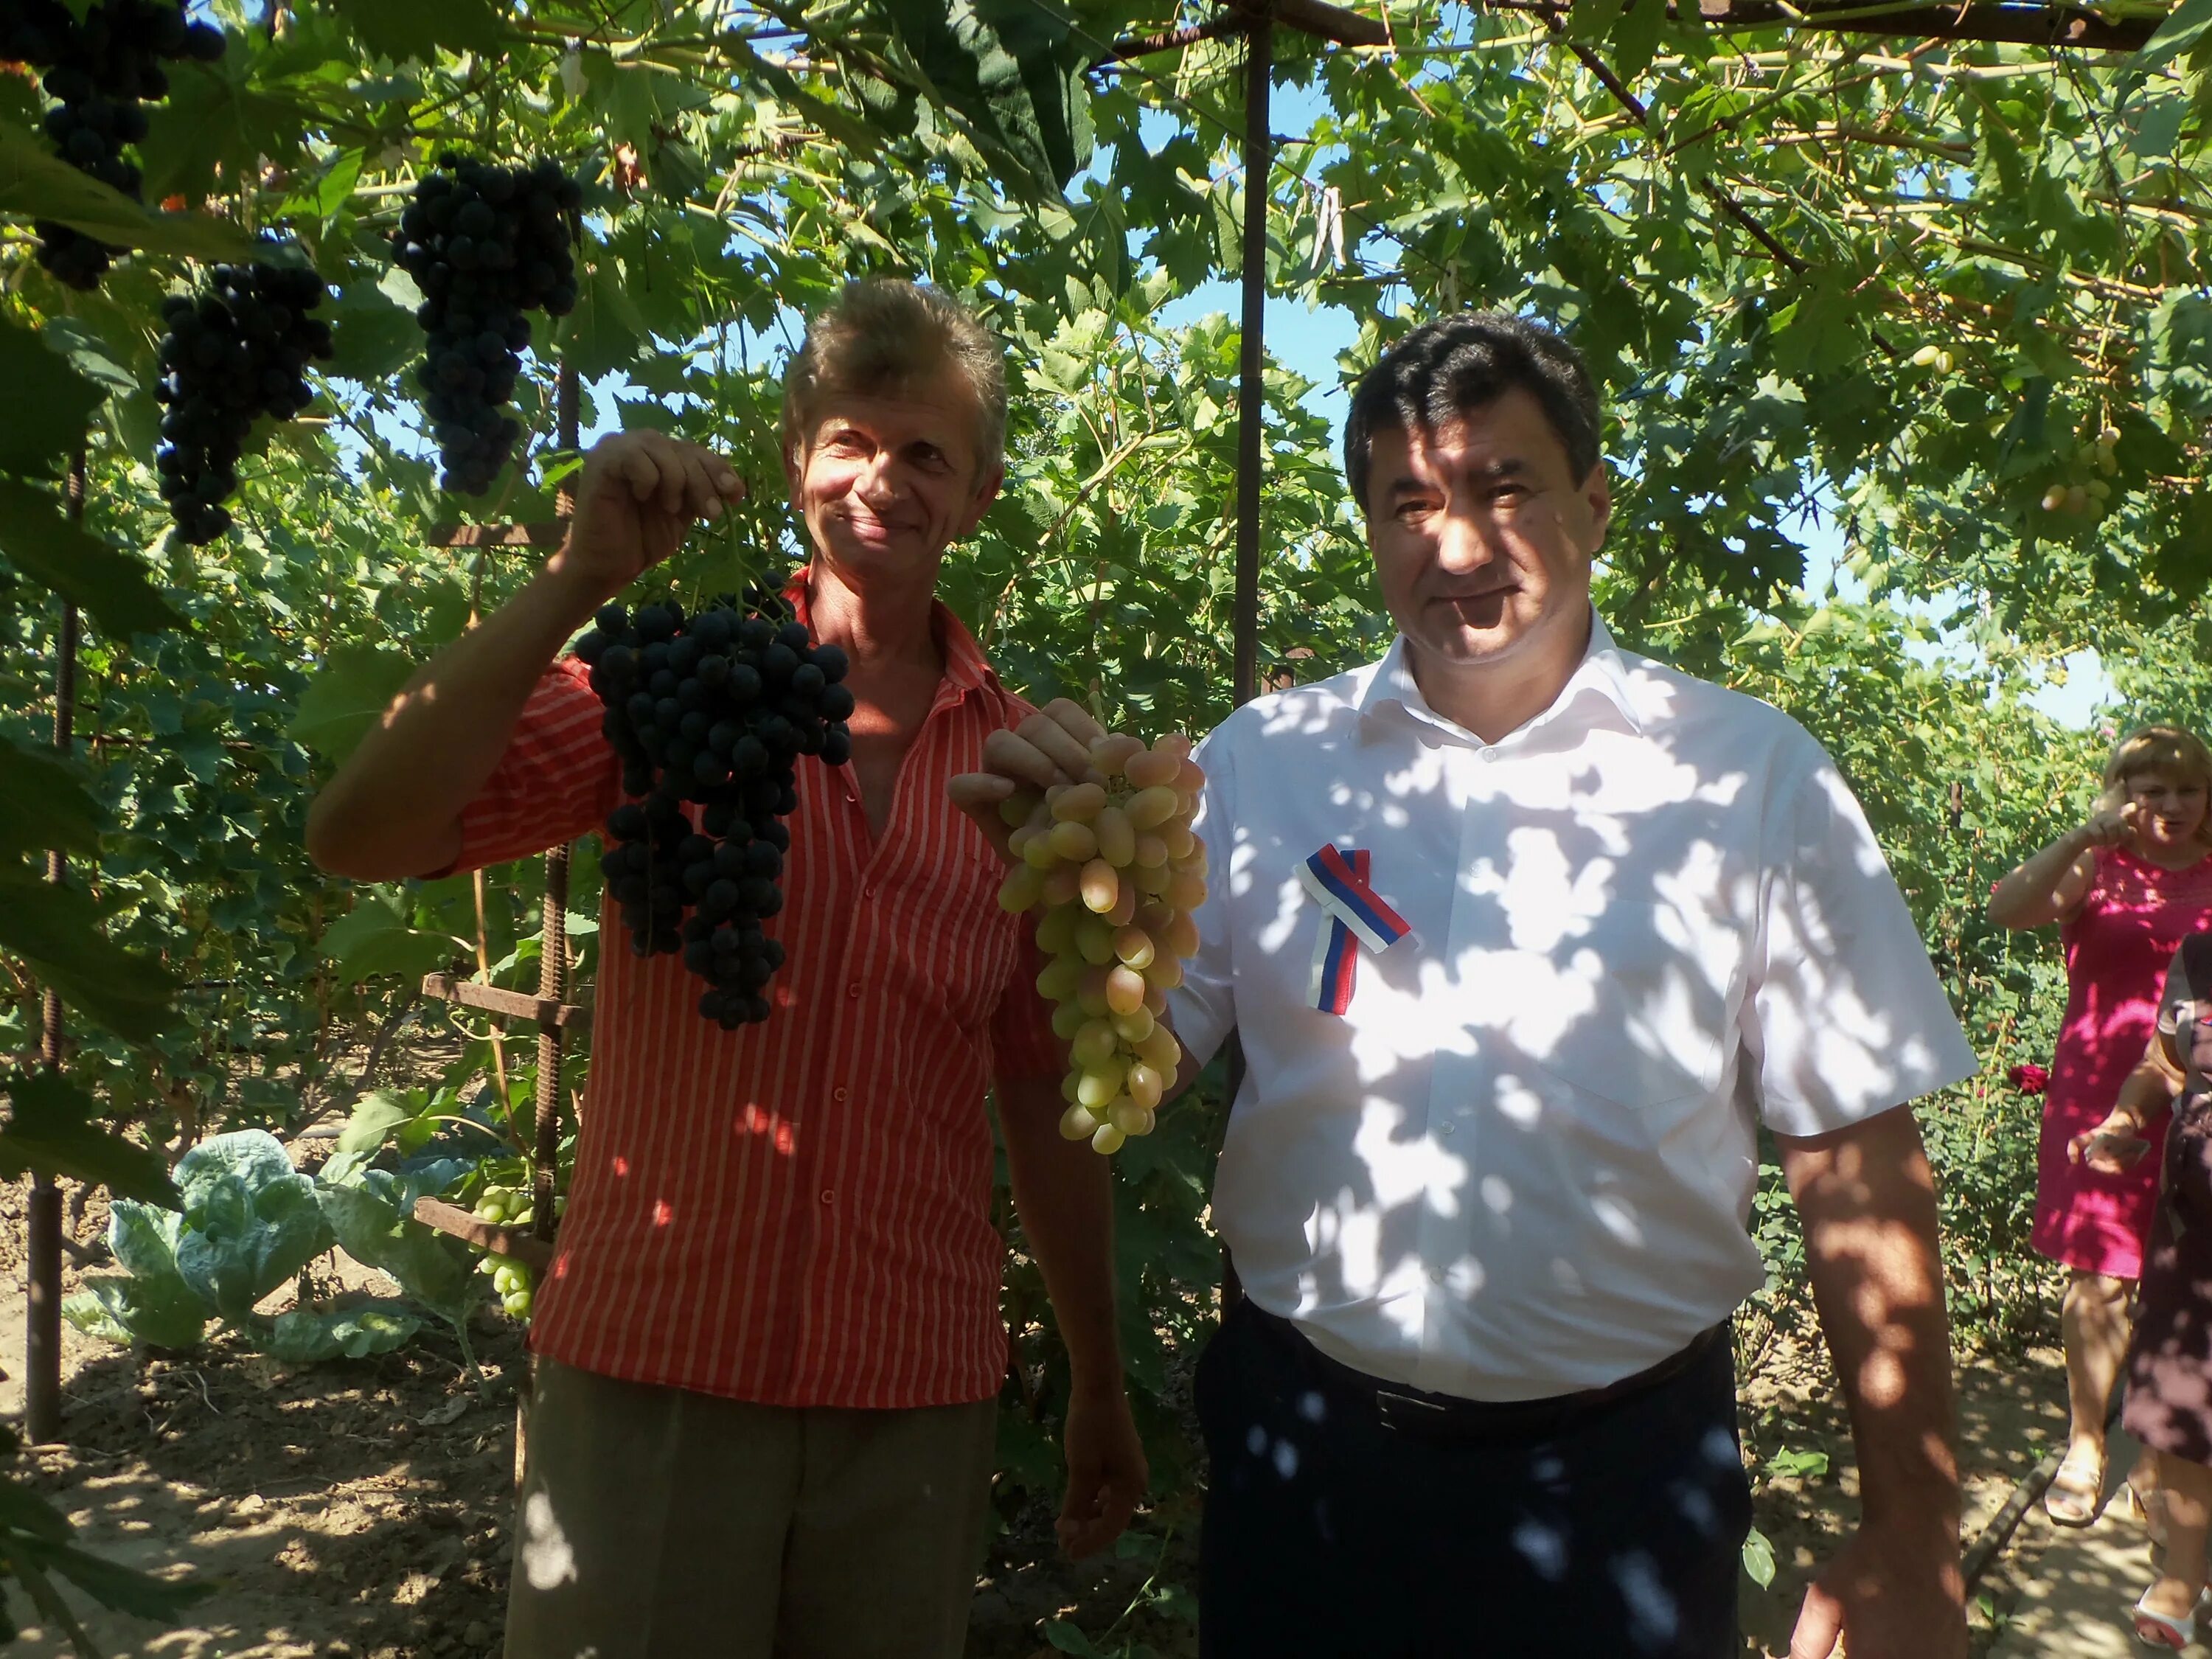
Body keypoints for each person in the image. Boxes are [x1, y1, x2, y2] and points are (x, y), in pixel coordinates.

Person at [956, 310, 1978, 1659]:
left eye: (1506, 488)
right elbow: (1130, 1056)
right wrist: (1065, 903)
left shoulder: (1751, 778)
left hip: (1621, 1482)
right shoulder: (1266, 763)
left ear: (1594, 505)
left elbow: (1857, 1164)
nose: (1456, 544)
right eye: (1410, 502)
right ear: (1372, 526)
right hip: (1304, 1457)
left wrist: (1914, 1535)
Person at [305, 279, 1146, 1659]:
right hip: (654, 1367)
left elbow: (1051, 1095)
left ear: (979, 494)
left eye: (926, 453)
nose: (884, 481)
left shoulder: (1030, 774)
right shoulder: (676, 696)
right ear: (794, 461)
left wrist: (1098, 1375)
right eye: (850, 444)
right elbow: (361, 834)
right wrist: (578, 581)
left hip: (912, 1395)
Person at [1988, 725, 2212, 1526]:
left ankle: (2159, 1451)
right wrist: (2084, 832)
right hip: (2098, 1097)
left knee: (2184, 1283)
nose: (2173, 805)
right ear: (2125, 793)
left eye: (2188, 788)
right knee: (2100, 1280)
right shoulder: (2099, 867)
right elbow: (2006, 909)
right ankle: (2087, 1443)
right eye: (2153, 789)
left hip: (2204, 1099)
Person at [2070, 932, 2212, 1649]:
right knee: (2186, 1390)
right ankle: (2185, 1573)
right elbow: (2162, 1062)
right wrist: (2126, 1121)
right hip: (2194, 1226)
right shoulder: (2198, 958)